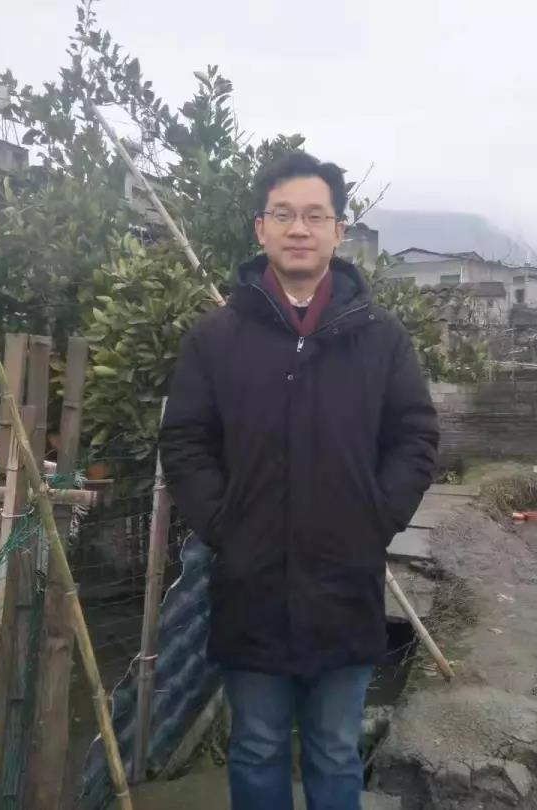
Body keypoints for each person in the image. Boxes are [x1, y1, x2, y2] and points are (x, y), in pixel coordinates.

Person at [159, 152, 439, 810]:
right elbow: (185, 440)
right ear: (261, 229)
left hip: (346, 580)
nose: (299, 229)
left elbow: (415, 436)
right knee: (256, 744)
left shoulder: (380, 338)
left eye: (315, 215)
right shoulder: (216, 338)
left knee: (335, 748)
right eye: (283, 214)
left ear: (339, 231)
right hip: (251, 583)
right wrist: (224, 525)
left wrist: (377, 517)